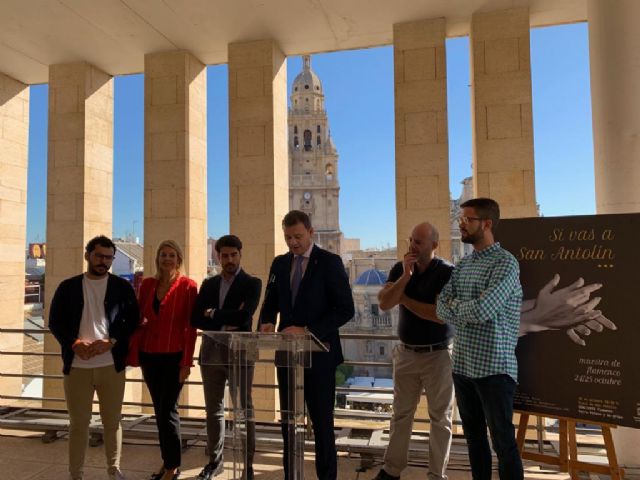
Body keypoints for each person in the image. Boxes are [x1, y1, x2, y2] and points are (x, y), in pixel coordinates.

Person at [258, 210, 355, 480]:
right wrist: (266, 322)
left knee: (323, 425)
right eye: (288, 237)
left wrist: (307, 331)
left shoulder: (330, 262)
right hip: (287, 356)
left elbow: (346, 309)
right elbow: (270, 302)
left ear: (311, 233)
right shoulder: (279, 264)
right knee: (289, 424)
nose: (293, 243)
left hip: (320, 356)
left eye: (298, 236)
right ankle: (291, 476)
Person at [436, 198, 524, 480]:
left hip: (494, 370)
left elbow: (483, 310)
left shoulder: (506, 263)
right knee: (474, 441)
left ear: (486, 223)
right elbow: (440, 306)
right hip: (462, 366)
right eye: (460, 220)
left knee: (503, 444)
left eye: (467, 220)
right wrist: (466, 307)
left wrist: (458, 308)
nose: (460, 224)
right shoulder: (463, 265)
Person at [49, 235, 139, 480]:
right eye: (99, 256)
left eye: (109, 257)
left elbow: (132, 320)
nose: (104, 262)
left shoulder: (122, 287)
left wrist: (111, 341)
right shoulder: (68, 287)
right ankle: (76, 474)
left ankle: (114, 469)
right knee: (78, 424)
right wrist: (74, 343)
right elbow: (55, 321)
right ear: (88, 255)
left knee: (113, 422)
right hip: (77, 366)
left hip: (111, 366)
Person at [373, 222, 454, 480]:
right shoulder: (400, 269)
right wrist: (405, 278)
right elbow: (385, 303)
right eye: (411, 240)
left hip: (438, 355)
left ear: (434, 245)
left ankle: (436, 475)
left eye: (419, 242)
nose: (412, 247)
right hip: (407, 354)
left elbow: (439, 314)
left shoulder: (447, 273)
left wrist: (404, 297)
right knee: (401, 414)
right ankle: (392, 470)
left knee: (440, 418)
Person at [191, 235, 262, 480]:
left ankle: (248, 465)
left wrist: (213, 313)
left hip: (241, 352)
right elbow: (196, 319)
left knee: (245, 409)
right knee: (213, 410)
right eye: (224, 255)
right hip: (211, 351)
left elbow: (245, 318)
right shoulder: (208, 285)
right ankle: (215, 462)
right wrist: (226, 315)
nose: (229, 260)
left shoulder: (253, 283)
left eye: (233, 255)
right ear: (217, 256)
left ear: (241, 254)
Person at [134, 240, 198, 480]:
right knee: (159, 411)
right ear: (157, 258)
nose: (167, 259)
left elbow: (190, 328)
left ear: (178, 259)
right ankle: (167, 461)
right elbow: (140, 318)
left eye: (172, 255)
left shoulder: (188, 286)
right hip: (149, 355)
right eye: (163, 255)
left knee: (168, 410)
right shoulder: (148, 284)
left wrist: (186, 363)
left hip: (174, 356)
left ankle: (173, 466)